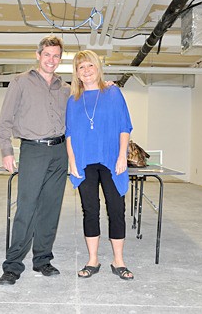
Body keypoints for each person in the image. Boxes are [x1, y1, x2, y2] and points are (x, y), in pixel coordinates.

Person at [0, 35, 70, 285]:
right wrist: (7, 151)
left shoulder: (66, 88)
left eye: (56, 55)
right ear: (38, 55)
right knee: (26, 209)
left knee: (50, 209)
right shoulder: (20, 82)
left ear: (60, 59)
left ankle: (42, 260)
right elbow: (4, 120)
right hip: (33, 151)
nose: (51, 59)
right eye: (47, 54)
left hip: (59, 153)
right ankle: (13, 265)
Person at [65, 50, 134, 280]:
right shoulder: (73, 100)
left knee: (116, 210)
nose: (86, 71)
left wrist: (122, 156)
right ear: (76, 73)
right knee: (90, 211)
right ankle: (93, 260)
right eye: (80, 67)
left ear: (97, 68)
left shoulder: (113, 93)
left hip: (111, 160)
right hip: (84, 162)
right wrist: (72, 161)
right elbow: (70, 134)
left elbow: (125, 126)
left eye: (89, 66)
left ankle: (119, 261)